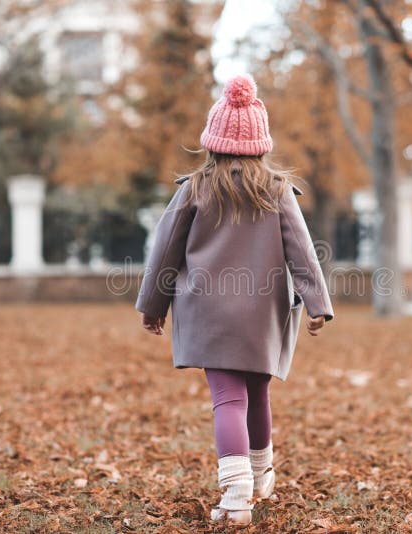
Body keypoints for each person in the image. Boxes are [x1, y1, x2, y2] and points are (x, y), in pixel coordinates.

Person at [136, 74, 334, 525]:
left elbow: (164, 250)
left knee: (228, 399)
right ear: (261, 143)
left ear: (213, 141)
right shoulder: (278, 191)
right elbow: (302, 251)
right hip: (263, 314)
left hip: (208, 313)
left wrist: (153, 305)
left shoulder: (195, 188)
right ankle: (261, 474)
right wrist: (317, 303)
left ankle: (236, 492)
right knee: (258, 392)